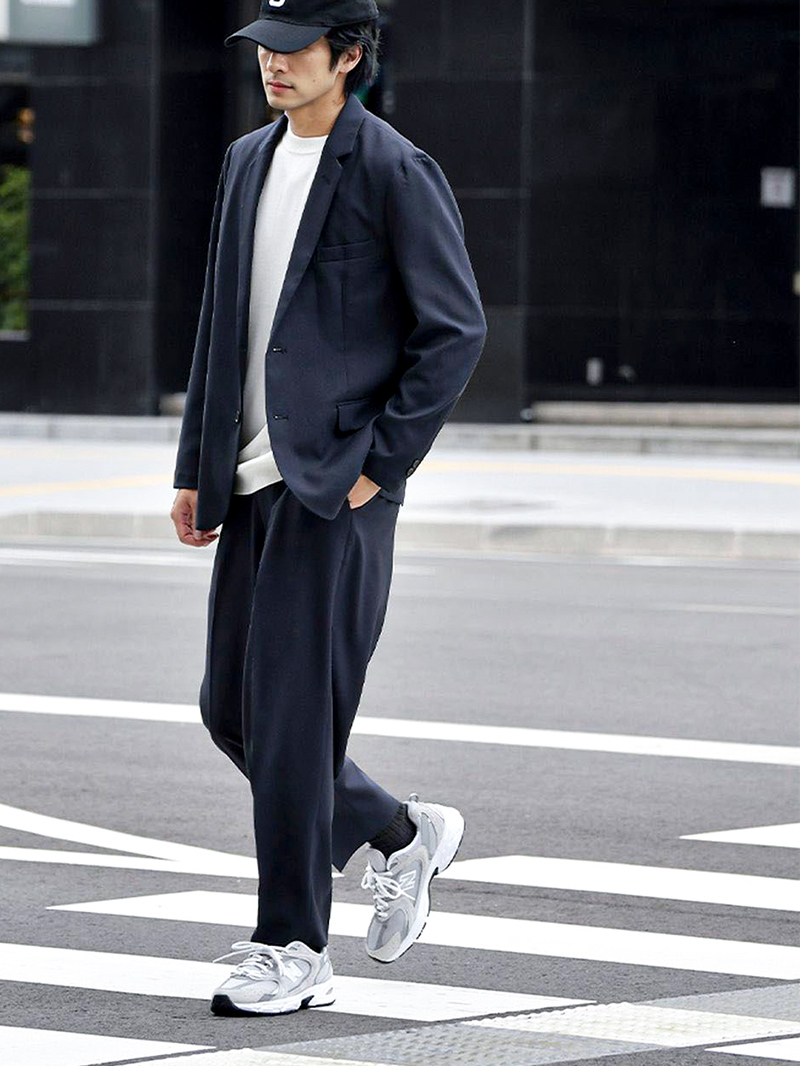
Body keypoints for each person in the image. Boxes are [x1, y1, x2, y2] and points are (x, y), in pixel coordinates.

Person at [170, 0, 487, 1017]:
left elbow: (454, 330)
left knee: (293, 722)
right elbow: (222, 320)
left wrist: (378, 466)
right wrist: (197, 463)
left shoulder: (393, 167)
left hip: (335, 488)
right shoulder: (245, 160)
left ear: (347, 55)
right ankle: (398, 833)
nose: (272, 65)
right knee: (232, 711)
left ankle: (294, 947)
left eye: (293, 49)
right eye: (263, 48)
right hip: (252, 478)